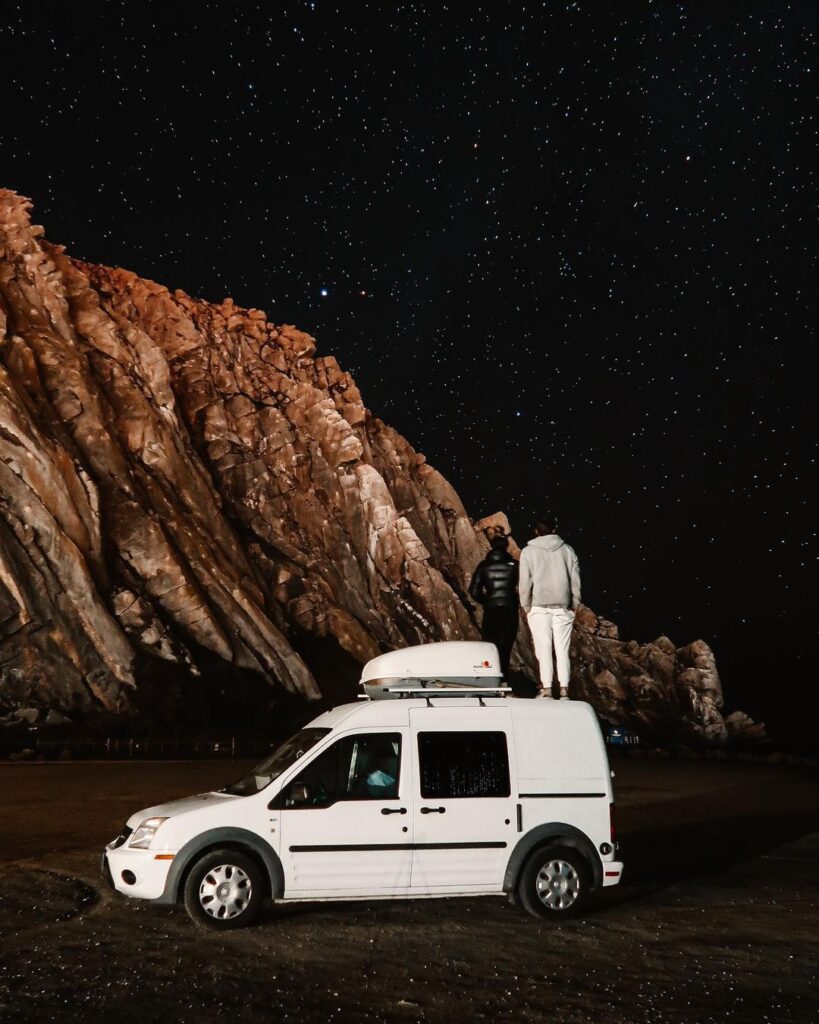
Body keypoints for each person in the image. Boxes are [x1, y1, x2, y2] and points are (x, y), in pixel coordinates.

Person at [518, 513, 581, 699]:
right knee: (562, 650)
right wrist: (575, 602)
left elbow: (525, 582)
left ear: (536, 531)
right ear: (554, 530)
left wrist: (526, 605)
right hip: (562, 606)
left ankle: (546, 689)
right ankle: (564, 689)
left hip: (538, 607)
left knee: (542, 648)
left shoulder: (528, 552)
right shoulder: (568, 551)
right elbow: (575, 579)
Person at [468, 531, 519, 677]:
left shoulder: (484, 566)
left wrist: (486, 600)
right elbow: (525, 587)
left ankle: (492, 677)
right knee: (506, 645)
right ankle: (504, 679)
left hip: (491, 609)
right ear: (506, 547)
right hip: (509, 608)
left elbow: (473, 590)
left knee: (491, 645)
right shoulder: (514, 565)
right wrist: (515, 599)